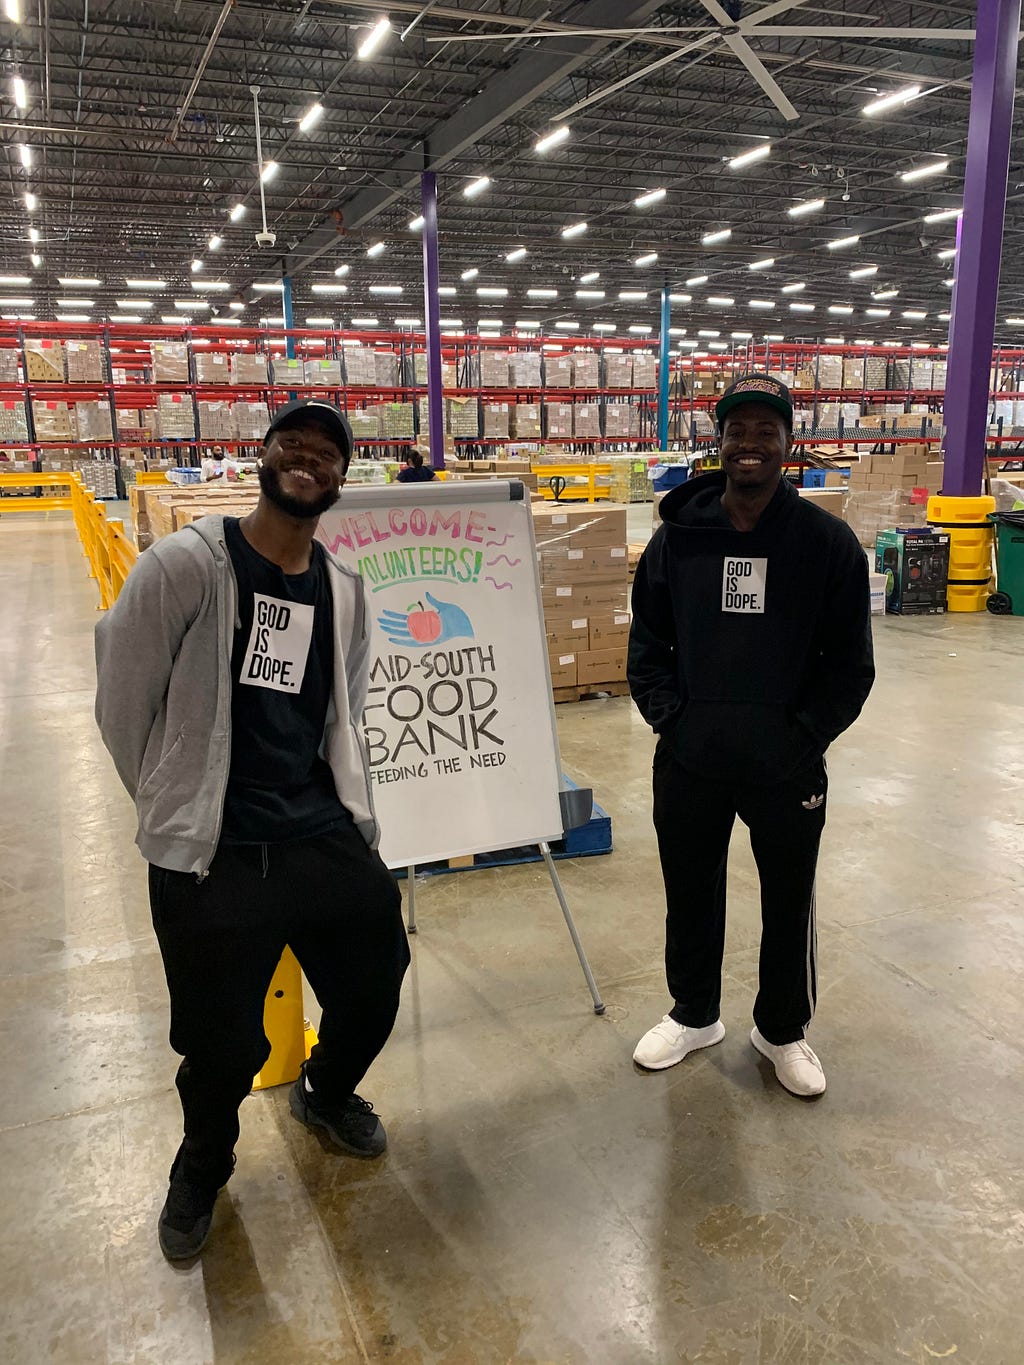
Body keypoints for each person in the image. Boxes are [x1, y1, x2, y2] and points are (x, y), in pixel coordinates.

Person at [95, 397, 409, 1259]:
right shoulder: (185, 567)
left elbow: (341, 702)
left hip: (319, 831)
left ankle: (326, 1088)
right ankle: (203, 1165)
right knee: (218, 1043)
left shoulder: (344, 589)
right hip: (214, 855)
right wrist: (169, 800)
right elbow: (122, 698)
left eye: (327, 453)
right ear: (263, 457)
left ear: (341, 479)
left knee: (376, 982)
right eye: (293, 444)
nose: (309, 459)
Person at [627, 374, 874, 1097]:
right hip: (692, 760)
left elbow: (850, 666)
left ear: (789, 444)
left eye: (767, 430)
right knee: (689, 891)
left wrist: (801, 738)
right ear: (720, 441)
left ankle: (782, 1029)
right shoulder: (680, 539)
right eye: (739, 430)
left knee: (788, 899)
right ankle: (694, 1012)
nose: (751, 444)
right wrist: (675, 720)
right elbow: (648, 645)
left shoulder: (826, 545)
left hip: (785, 766)